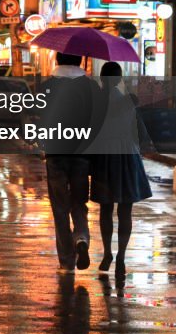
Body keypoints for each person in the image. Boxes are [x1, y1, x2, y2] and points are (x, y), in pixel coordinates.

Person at [88, 62, 153, 280]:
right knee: (125, 210)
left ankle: (107, 253)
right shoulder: (128, 103)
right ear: (119, 80)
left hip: (104, 157)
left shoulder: (95, 103)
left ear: (101, 79)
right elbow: (142, 134)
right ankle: (122, 258)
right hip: (127, 157)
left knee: (106, 209)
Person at [39, 52, 98, 273]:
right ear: (81, 61)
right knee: (79, 203)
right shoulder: (91, 88)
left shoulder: (47, 86)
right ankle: (81, 237)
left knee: (60, 208)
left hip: (55, 153)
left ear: (57, 60)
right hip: (82, 154)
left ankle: (67, 261)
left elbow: (39, 116)